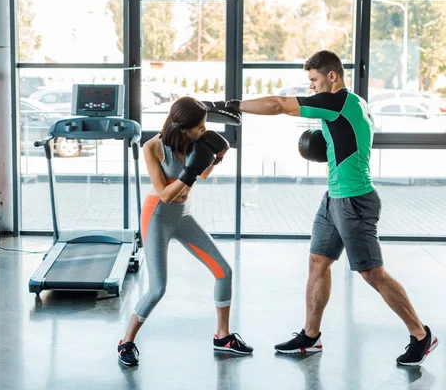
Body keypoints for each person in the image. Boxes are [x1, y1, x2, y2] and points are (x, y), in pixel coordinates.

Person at [209, 50, 438, 366]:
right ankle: (311, 336)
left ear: (333, 76)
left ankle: (420, 334)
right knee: (318, 262)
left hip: (354, 200)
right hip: (334, 198)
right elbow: (329, 130)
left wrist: (229, 105)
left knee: (372, 273)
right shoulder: (353, 103)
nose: (312, 88)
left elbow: (279, 105)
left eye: (315, 81)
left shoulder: (338, 102)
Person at [117, 96, 252, 367]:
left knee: (224, 271)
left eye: (204, 125)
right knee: (157, 289)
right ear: (181, 126)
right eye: (198, 127)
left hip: (184, 215)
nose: (203, 130)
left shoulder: (195, 141)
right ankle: (126, 342)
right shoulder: (152, 147)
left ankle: (222, 336)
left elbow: (200, 176)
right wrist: (189, 171)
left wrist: (218, 158)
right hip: (157, 216)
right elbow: (165, 194)